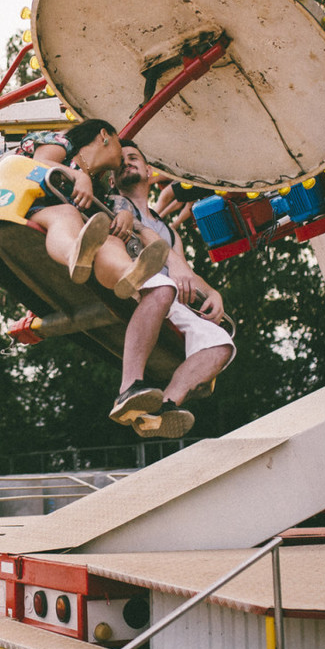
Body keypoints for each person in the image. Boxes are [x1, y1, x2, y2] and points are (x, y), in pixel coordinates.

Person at [107, 140, 235, 437]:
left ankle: (164, 407)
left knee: (221, 343)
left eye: (133, 157)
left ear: (149, 171)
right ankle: (128, 387)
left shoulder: (167, 229)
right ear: (112, 180)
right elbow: (136, 229)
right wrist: (171, 266)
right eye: (120, 161)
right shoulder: (114, 203)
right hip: (129, 277)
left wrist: (213, 293)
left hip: (165, 292)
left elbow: (185, 272)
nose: (127, 162)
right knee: (163, 286)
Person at [16, 119, 168, 299]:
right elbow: (39, 162)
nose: (122, 155)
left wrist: (124, 213)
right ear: (104, 135)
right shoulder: (63, 143)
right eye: (119, 144)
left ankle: (128, 273)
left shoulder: (95, 189)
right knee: (67, 213)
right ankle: (72, 252)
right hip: (27, 206)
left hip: (66, 228)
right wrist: (79, 177)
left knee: (111, 241)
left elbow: (108, 210)